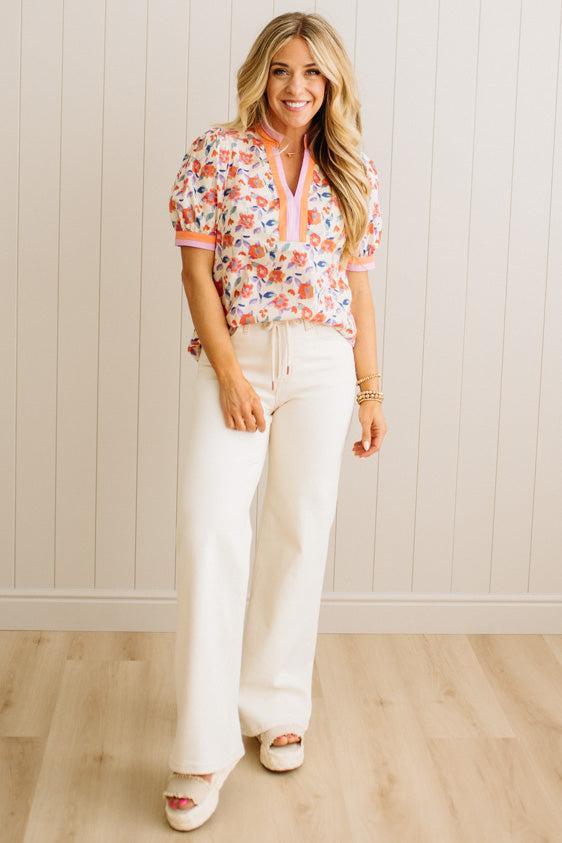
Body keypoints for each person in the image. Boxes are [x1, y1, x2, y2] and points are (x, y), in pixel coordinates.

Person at [163, 11, 387, 832]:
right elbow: (196, 277)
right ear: (262, 72)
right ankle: (201, 746)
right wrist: (228, 373)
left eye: (314, 74)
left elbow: (358, 290)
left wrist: (370, 387)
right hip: (240, 356)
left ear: (332, 83)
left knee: (299, 530)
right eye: (285, 70)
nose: (298, 88)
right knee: (209, 530)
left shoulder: (353, 165)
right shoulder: (213, 155)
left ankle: (276, 703)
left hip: (326, 365)